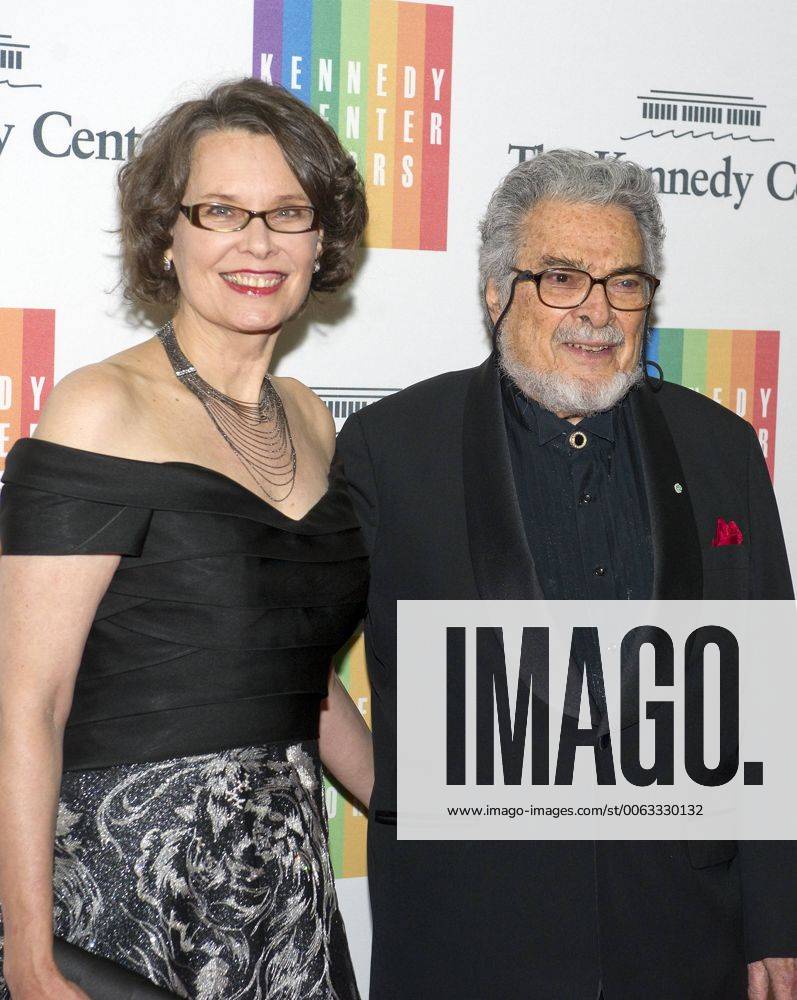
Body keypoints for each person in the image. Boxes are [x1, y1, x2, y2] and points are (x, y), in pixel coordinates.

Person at [337, 150, 797, 1000]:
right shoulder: (390, 448)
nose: (596, 311)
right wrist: (397, 794)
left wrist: (775, 922)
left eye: (624, 282)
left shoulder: (719, 447)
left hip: (681, 935)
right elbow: (286, 660)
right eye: (560, 277)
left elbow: (764, 700)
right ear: (494, 291)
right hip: (467, 935)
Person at [0, 78, 372, 1000]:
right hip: (124, 880)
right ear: (168, 235)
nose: (257, 243)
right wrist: (32, 959)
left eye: (288, 213)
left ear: (321, 240)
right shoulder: (99, 407)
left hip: (278, 885)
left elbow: (287, 667)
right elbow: (25, 704)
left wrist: (428, 803)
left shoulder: (312, 421)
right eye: (221, 211)